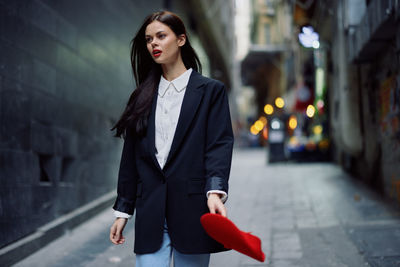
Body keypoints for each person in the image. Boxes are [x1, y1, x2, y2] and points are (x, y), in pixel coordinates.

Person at [109, 10, 234, 267]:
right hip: (151, 212)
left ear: (181, 40)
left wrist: (214, 191)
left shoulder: (211, 92)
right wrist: (123, 211)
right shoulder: (141, 97)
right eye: (148, 39)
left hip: (193, 208)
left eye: (161, 36)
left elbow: (218, 145)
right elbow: (131, 158)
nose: (153, 43)